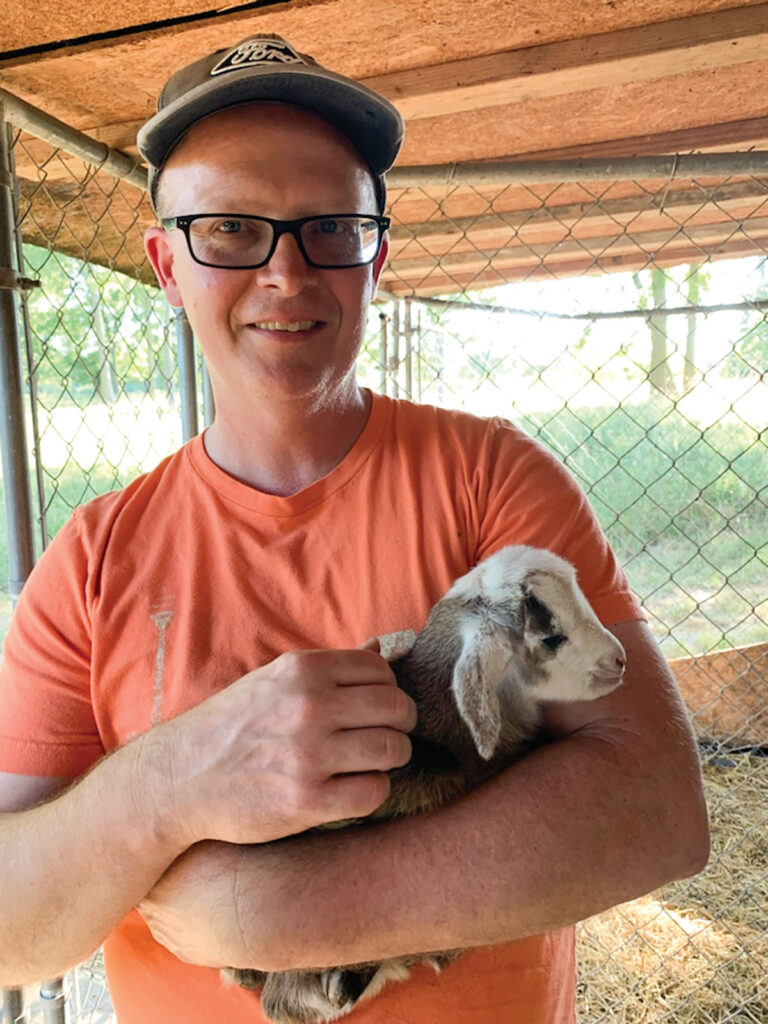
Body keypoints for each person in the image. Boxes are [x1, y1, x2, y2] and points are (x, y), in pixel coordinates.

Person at [0, 34, 709, 1024]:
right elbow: (12, 928)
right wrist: (170, 783)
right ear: (166, 264)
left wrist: (284, 908)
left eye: (329, 225)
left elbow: (657, 812)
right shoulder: (92, 560)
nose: (288, 272)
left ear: (378, 250)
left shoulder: (488, 481)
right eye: (231, 228)